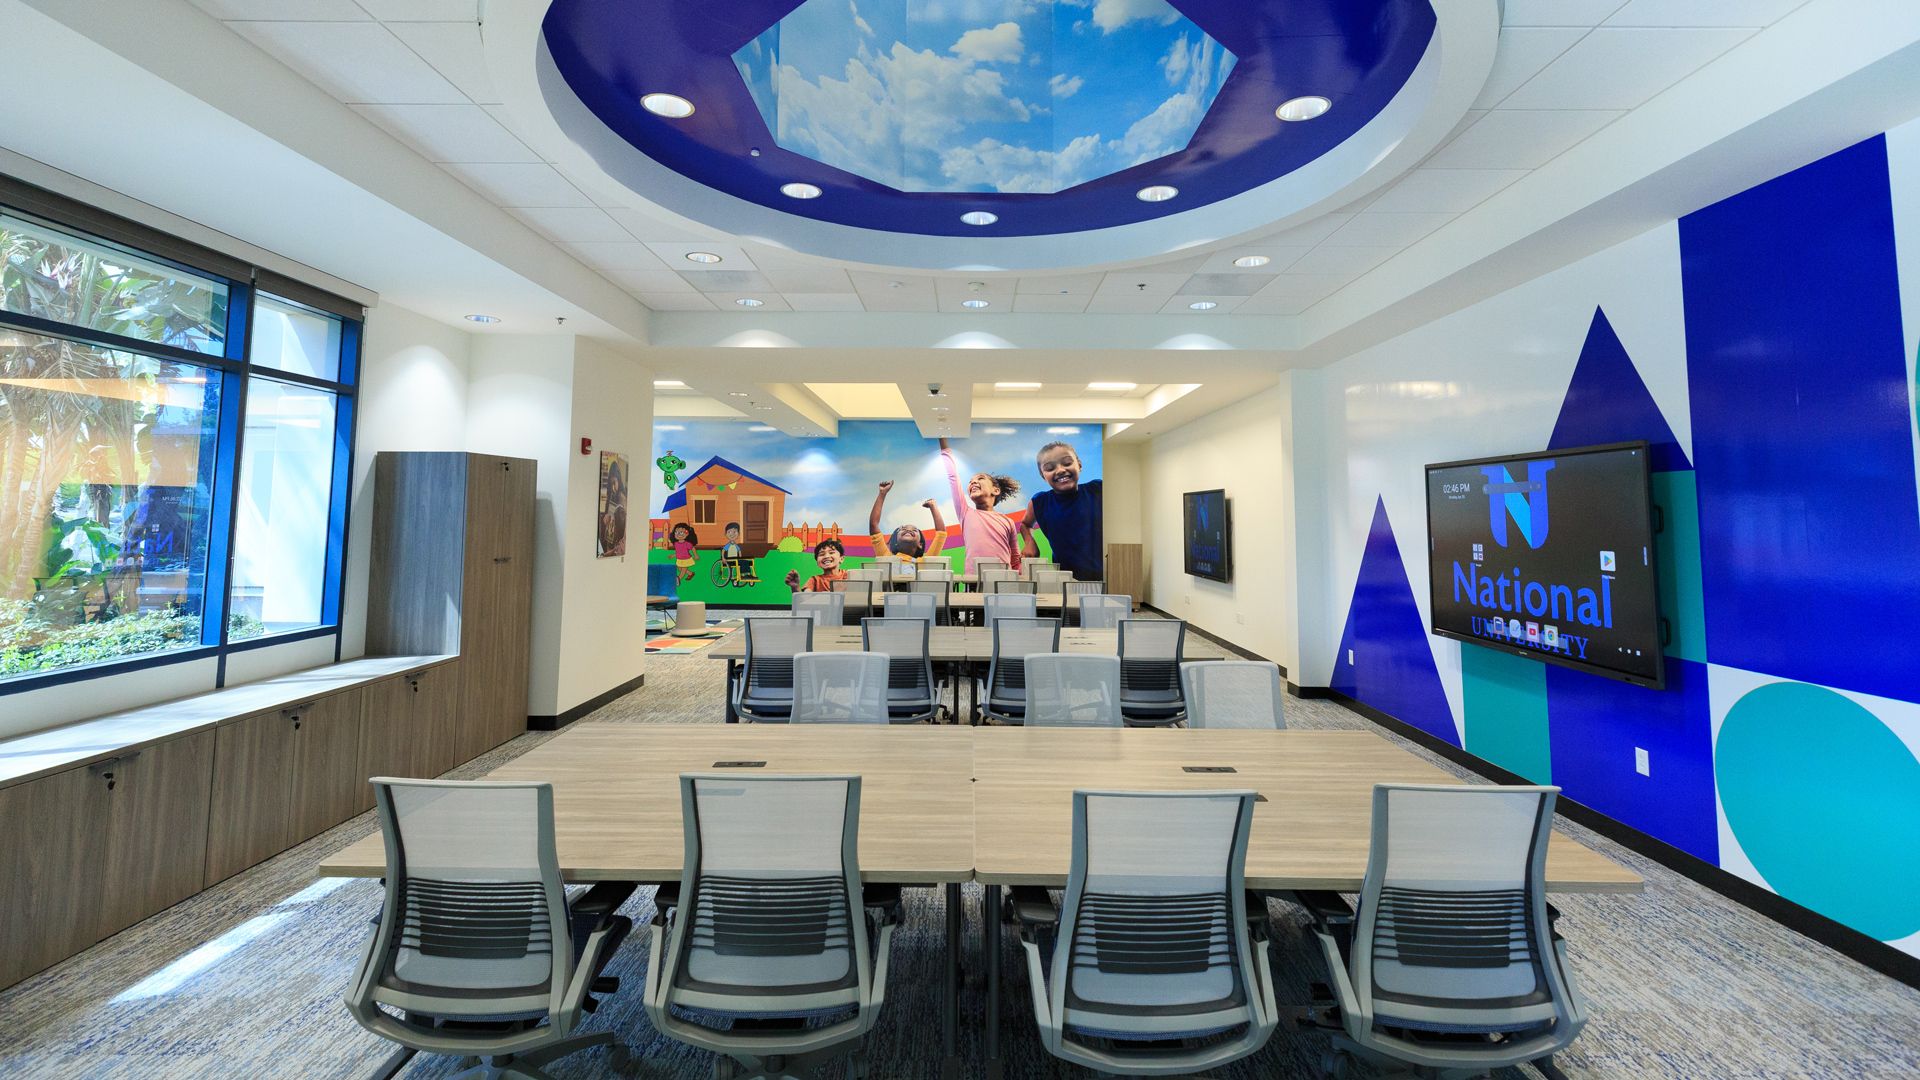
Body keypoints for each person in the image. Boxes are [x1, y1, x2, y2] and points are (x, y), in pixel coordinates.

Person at [1020, 440, 1103, 580]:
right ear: (1043, 476)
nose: (1060, 470)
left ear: (1079, 465)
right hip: (1066, 580)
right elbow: (1025, 524)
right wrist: (1029, 542)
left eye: (1067, 463)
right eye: (1050, 468)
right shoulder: (1039, 502)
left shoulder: (1098, 490)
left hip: (1105, 577)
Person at [940, 437, 1022, 574]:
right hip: (973, 581)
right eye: (970, 481)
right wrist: (942, 440)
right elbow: (953, 477)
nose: (973, 482)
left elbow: (1015, 559)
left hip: (1003, 581)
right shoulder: (965, 513)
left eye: (980, 479)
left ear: (995, 490)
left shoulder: (1008, 522)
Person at [868, 480, 949, 566]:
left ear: (920, 544)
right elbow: (874, 524)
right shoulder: (886, 558)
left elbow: (941, 534)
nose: (908, 530)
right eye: (903, 529)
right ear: (896, 541)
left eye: (914, 530)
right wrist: (882, 494)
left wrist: (933, 506)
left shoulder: (925, 562)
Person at [784, 536, 849, 592]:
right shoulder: (814, 580)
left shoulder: (848, 575)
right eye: (821, 554)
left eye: (831, 552)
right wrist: (795, 587)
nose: (826, 556)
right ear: (817, 562)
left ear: (841, 558)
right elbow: (804, 600)